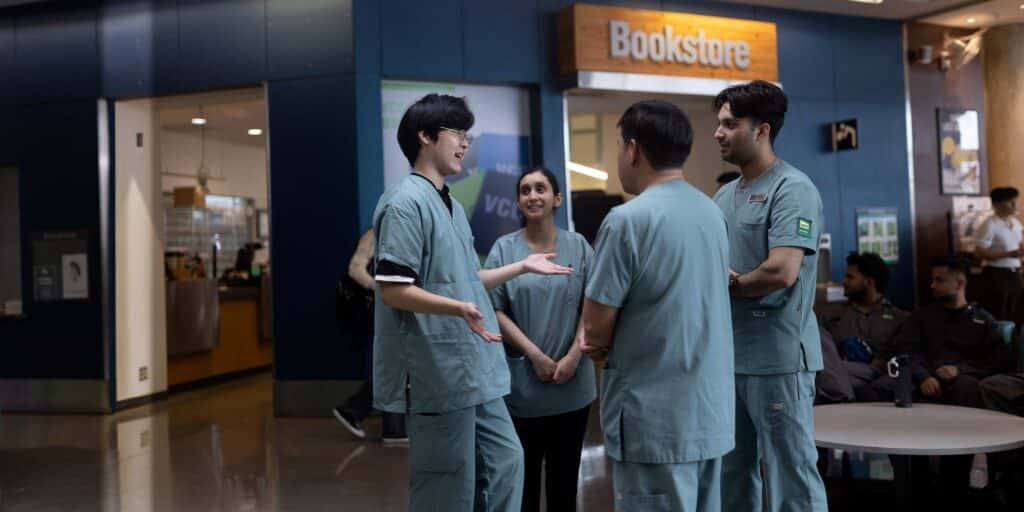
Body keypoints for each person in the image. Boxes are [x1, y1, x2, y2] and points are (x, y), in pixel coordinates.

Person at [371, 93, 572, 511]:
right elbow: (393, 288)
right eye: (457, 133)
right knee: (447, 483)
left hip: (472, 372)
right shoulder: (405, 203)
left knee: (506, 462)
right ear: (425, 136)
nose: (466, 143)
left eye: (468, 134)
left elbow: (461, 279)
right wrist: (457, 308)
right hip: (436, 372)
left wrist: (520, 267)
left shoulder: (452, 206)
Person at [581, 100, 735, 511]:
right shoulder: (711, 212)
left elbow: (595, 330)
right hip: (709, 412)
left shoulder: (627, 220)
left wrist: (599, 341)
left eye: (618, 147)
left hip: (655, 422)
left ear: (633, 149)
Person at [711, 80, 828, 511]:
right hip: (730, 360)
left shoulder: (792, 188)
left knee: (790, 474)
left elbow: (783, 270)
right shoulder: (723, 196)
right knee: (731, 473)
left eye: (730, 124)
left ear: (761, 130)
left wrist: (731, 283)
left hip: (778, 359)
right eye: (718, 123)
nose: (718, 133)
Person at [484, 167, 596, 512]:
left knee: (564, 487)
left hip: (572, 386)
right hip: (523, 389)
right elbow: (495, 311)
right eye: (525, 190)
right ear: (519, 201)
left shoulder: (578, 247)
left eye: (541, 189)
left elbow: (591, 306)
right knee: (524, 486)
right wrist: (534, 355)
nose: (532, 196)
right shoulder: (505, 250)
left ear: (557, 198)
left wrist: (574, 356)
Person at [858, 255, 1010, 408]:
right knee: (871, 392)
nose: (933, 285)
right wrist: (923, 377)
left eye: (940, 280)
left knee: (970, 392)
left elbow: (996, 361)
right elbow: (905, 351)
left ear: (959, 284)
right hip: (919, 377)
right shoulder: (921, 316)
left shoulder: (984, 322)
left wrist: (959, 369)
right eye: (933, 280)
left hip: (961, 381)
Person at [333, 228, 407, 444]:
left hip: (393, 305)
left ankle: (393, 427)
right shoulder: (375, 233)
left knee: (397, 364)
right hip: (384, 307)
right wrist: (379, 288)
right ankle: (356, 411)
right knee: (397, 364)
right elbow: (355, 268)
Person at [819, 252, 908, 393]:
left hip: (877, 376)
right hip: (838, 370)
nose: (844, 282)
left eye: (850, 277)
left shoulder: (899, 319)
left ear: (869, 282)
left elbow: (903, 358)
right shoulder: (831, 315)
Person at [974, 187, 1023, 321]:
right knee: (998, 313)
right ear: (996, 204)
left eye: (1015, 201)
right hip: (996, 274)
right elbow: (979, 252)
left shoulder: (1016, 223)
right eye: (1010, 202)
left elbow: (1017, 247)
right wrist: (1008, 254)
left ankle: (1013, 340)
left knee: (1015, 313)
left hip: (1014, 273)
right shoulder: (990, 224)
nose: (1014, 205)